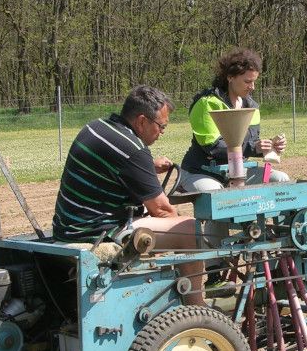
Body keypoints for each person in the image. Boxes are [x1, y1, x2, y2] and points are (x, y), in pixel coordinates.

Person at [52, 85, 205, 305]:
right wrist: (185, 229)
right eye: (161, 126)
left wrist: (148, 167)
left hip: (68, 227)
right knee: (189, 229)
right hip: (95, 234)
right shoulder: (133, 150)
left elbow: (111, 165)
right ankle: (196, 306)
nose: (162, 133)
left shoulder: (96, 127)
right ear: (142, 121)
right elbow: (162, 210)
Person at [179, 48, 289, 192]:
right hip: (201, 172)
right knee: (218, 195)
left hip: (239, 172)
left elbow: (251, 143)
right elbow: (213, 147)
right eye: (247, 81)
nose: (252, 87)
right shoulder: (206, 103)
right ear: (230, 77)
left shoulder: (251, 107)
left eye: (254, 81)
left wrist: (267, 146)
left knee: (281, 179)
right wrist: (254, 147)